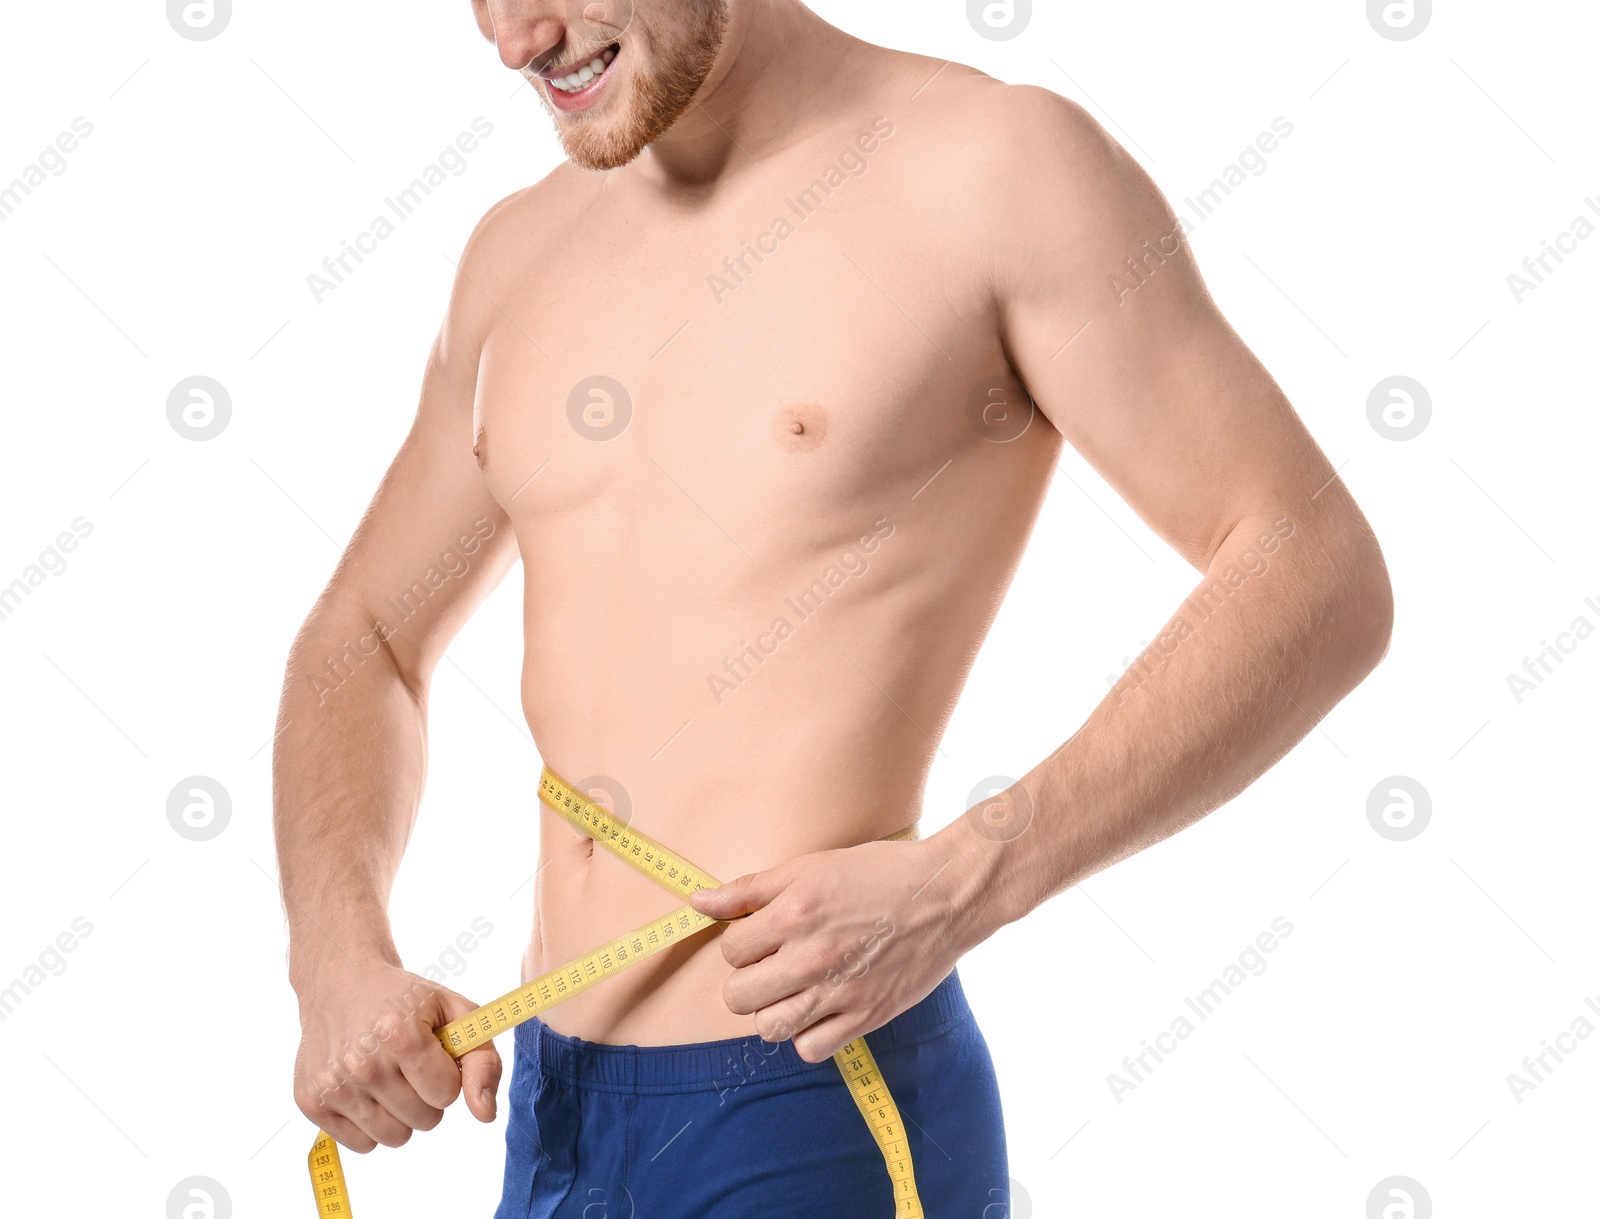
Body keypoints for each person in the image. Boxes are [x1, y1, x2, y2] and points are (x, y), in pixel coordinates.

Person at [272, 1, 1394, 1213]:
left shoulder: (992, 171)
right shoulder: (515, 253)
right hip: (548, 1107)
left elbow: (1311, 565)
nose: (515, 38)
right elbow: (364, 638)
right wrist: (335, 959)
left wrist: (971, 876)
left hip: (814, 1105)